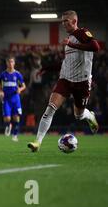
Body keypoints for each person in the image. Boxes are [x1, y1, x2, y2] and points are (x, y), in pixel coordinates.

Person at [28, 10, 100, 152]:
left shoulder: (82, 33)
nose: (63, 24)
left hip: (82, 82)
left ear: (74, 21)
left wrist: (73, 45)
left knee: (78, 115)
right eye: (62, 21)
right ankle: (37, 142)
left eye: (66, 21)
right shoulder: (69, 42)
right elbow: (66, 63)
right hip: (65, 80)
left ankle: (89, 116)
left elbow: (96, 47)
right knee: (50, 108)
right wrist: (47, 68)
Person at [0, 57, 26, 142]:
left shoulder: (17, 74)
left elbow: (24, 85)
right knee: (7, 118)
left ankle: (15, 135)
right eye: (9, 62)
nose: (10, 63)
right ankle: (8, 125)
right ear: (6, 63)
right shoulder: (3, 74)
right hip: (6, 99)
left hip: (15, 99)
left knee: (16, 118)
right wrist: (0, 91)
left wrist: (20, 89)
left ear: (14, 63)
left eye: (12, 62)